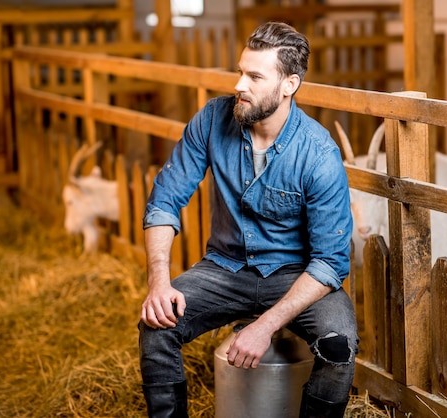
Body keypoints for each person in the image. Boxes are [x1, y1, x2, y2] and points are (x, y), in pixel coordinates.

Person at [138, 21, 358, 418]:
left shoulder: (318, 153)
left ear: (289, 84)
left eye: (255, 76)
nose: (240, 85)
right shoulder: (211, 120)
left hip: (296, 275)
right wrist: (159, 282)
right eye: (240, 71)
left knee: (339, 346)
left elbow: (330, 262)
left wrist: (265, 325)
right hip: (224, 267)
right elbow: (165, 201)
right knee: (157, 326)